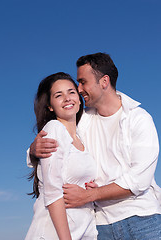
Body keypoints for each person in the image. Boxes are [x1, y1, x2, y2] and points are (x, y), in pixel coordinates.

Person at [28, 53, 161, 240]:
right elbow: (58, 141)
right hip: (100, 224)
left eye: (83, 82)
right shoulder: (83, 120)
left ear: (104, 82)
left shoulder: (139, 119)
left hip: (141, 219)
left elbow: (139, 180)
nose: (79, 89)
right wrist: (33, 150)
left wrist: (88, 196)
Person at [25, 72, 98, 240]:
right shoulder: (54, 129)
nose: (67, 98)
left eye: (71, 92)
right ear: (50, 106)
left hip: (83, 231)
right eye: (58, 95)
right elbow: (53, 192)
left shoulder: (82, 136)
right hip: (53, 234)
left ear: (79, 99)